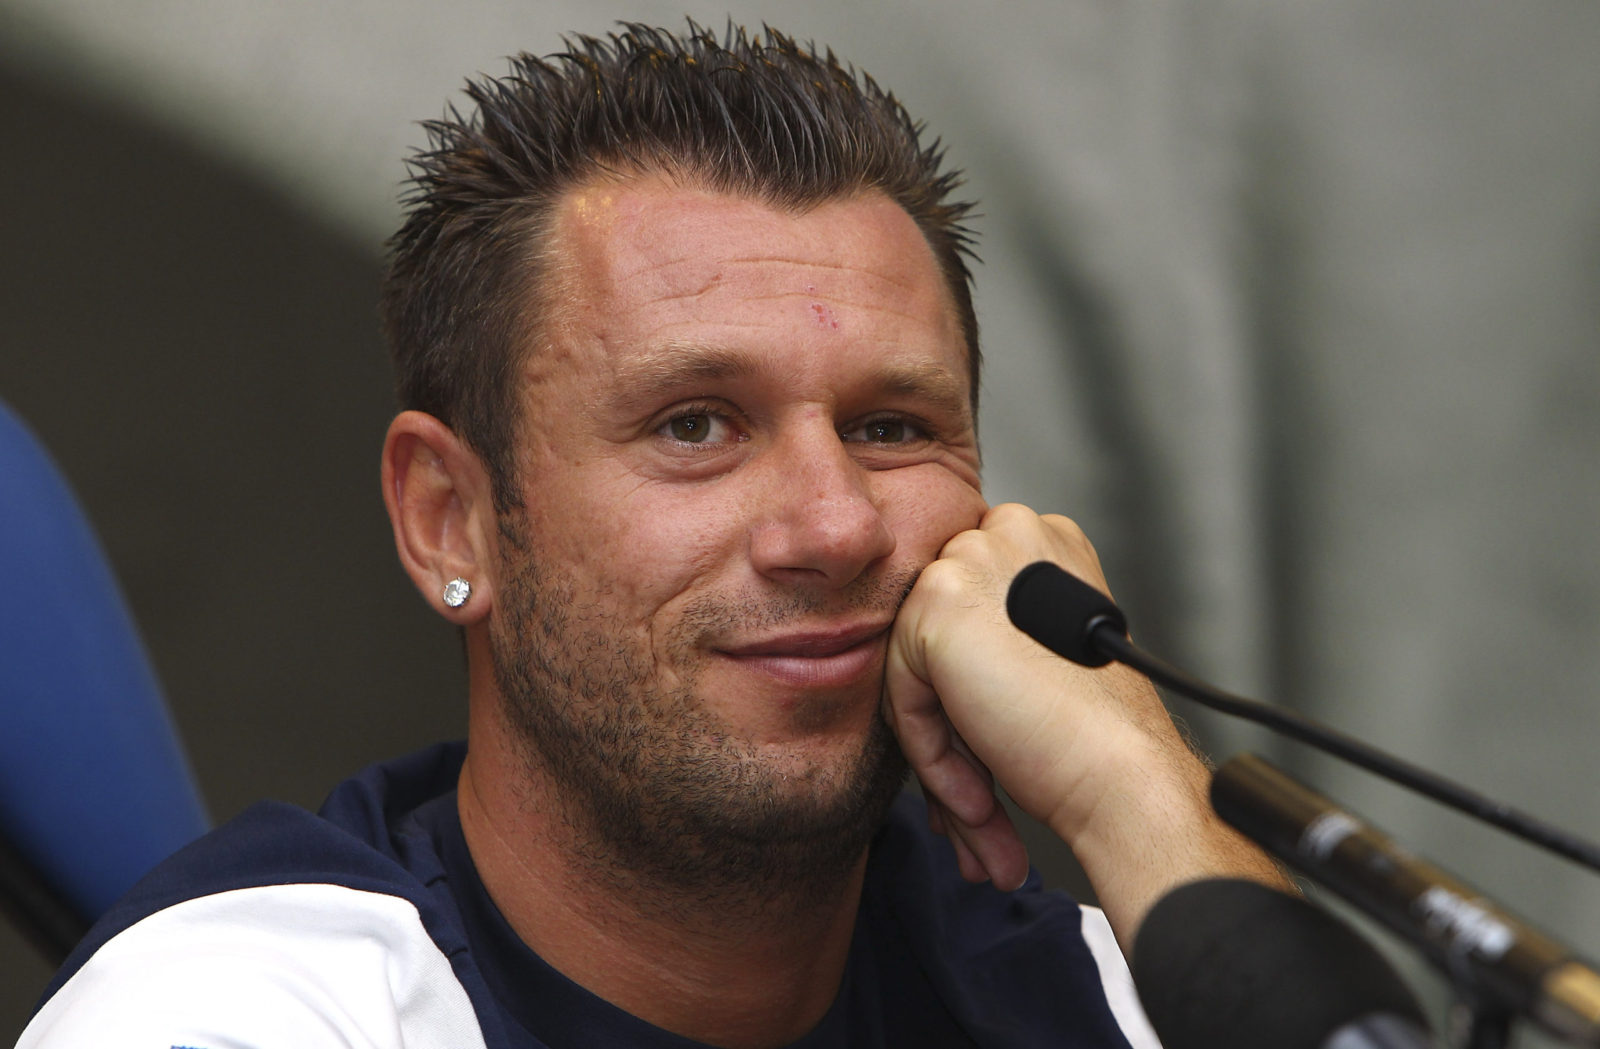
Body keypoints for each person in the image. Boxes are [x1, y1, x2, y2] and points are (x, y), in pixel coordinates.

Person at [18, 22, 1283, 1049]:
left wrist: (1135, 780)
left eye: (892, 427)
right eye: (694, 425)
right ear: (449, 517)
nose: (834, 524)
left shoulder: (1090, 989)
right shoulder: (245, 1014)